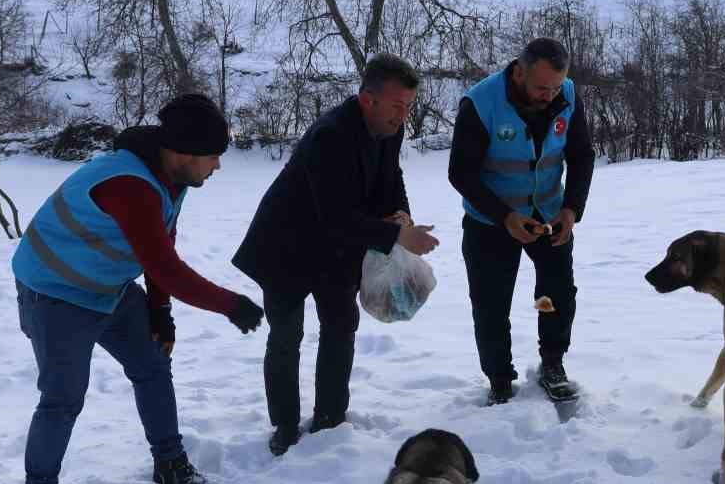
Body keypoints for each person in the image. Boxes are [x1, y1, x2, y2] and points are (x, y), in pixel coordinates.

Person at [11, 93, 265, 484]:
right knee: (62, 396)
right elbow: (165, 266)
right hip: (54, 294)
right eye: (214, 156)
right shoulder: (129, 185)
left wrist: (159, 313)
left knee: (152, 365)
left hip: (107, 288)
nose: (218, 166)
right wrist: (231, 304)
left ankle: (171, 465)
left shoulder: (173, 178)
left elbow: (162, 244)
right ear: (184, 152)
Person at [233, 54, 439, 456]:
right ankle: (285, 427)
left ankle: (330, 418)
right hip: (286, 247)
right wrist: (398, 235)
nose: (404, 116)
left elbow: (390, 177)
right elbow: (335, 215)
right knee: (287, 336)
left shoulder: (388, 129)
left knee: (341, 326)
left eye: (409, 106)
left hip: (336, 250)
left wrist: (401, 213)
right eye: (398, 106)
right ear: (367, 99)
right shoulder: (330, 135)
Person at [449, 37, 594, 405]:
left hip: (549, 215)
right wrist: (505, 216)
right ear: (518, 72)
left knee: (556, 294)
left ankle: (552, 364)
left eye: (555, 87)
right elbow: (461, 174)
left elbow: (581, 155)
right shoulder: (481, 103)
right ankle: (499, 379)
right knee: (491, 303)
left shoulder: (569, 95)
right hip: (490, 222)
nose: (549, 95)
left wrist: (571, 209)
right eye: (540, 88)